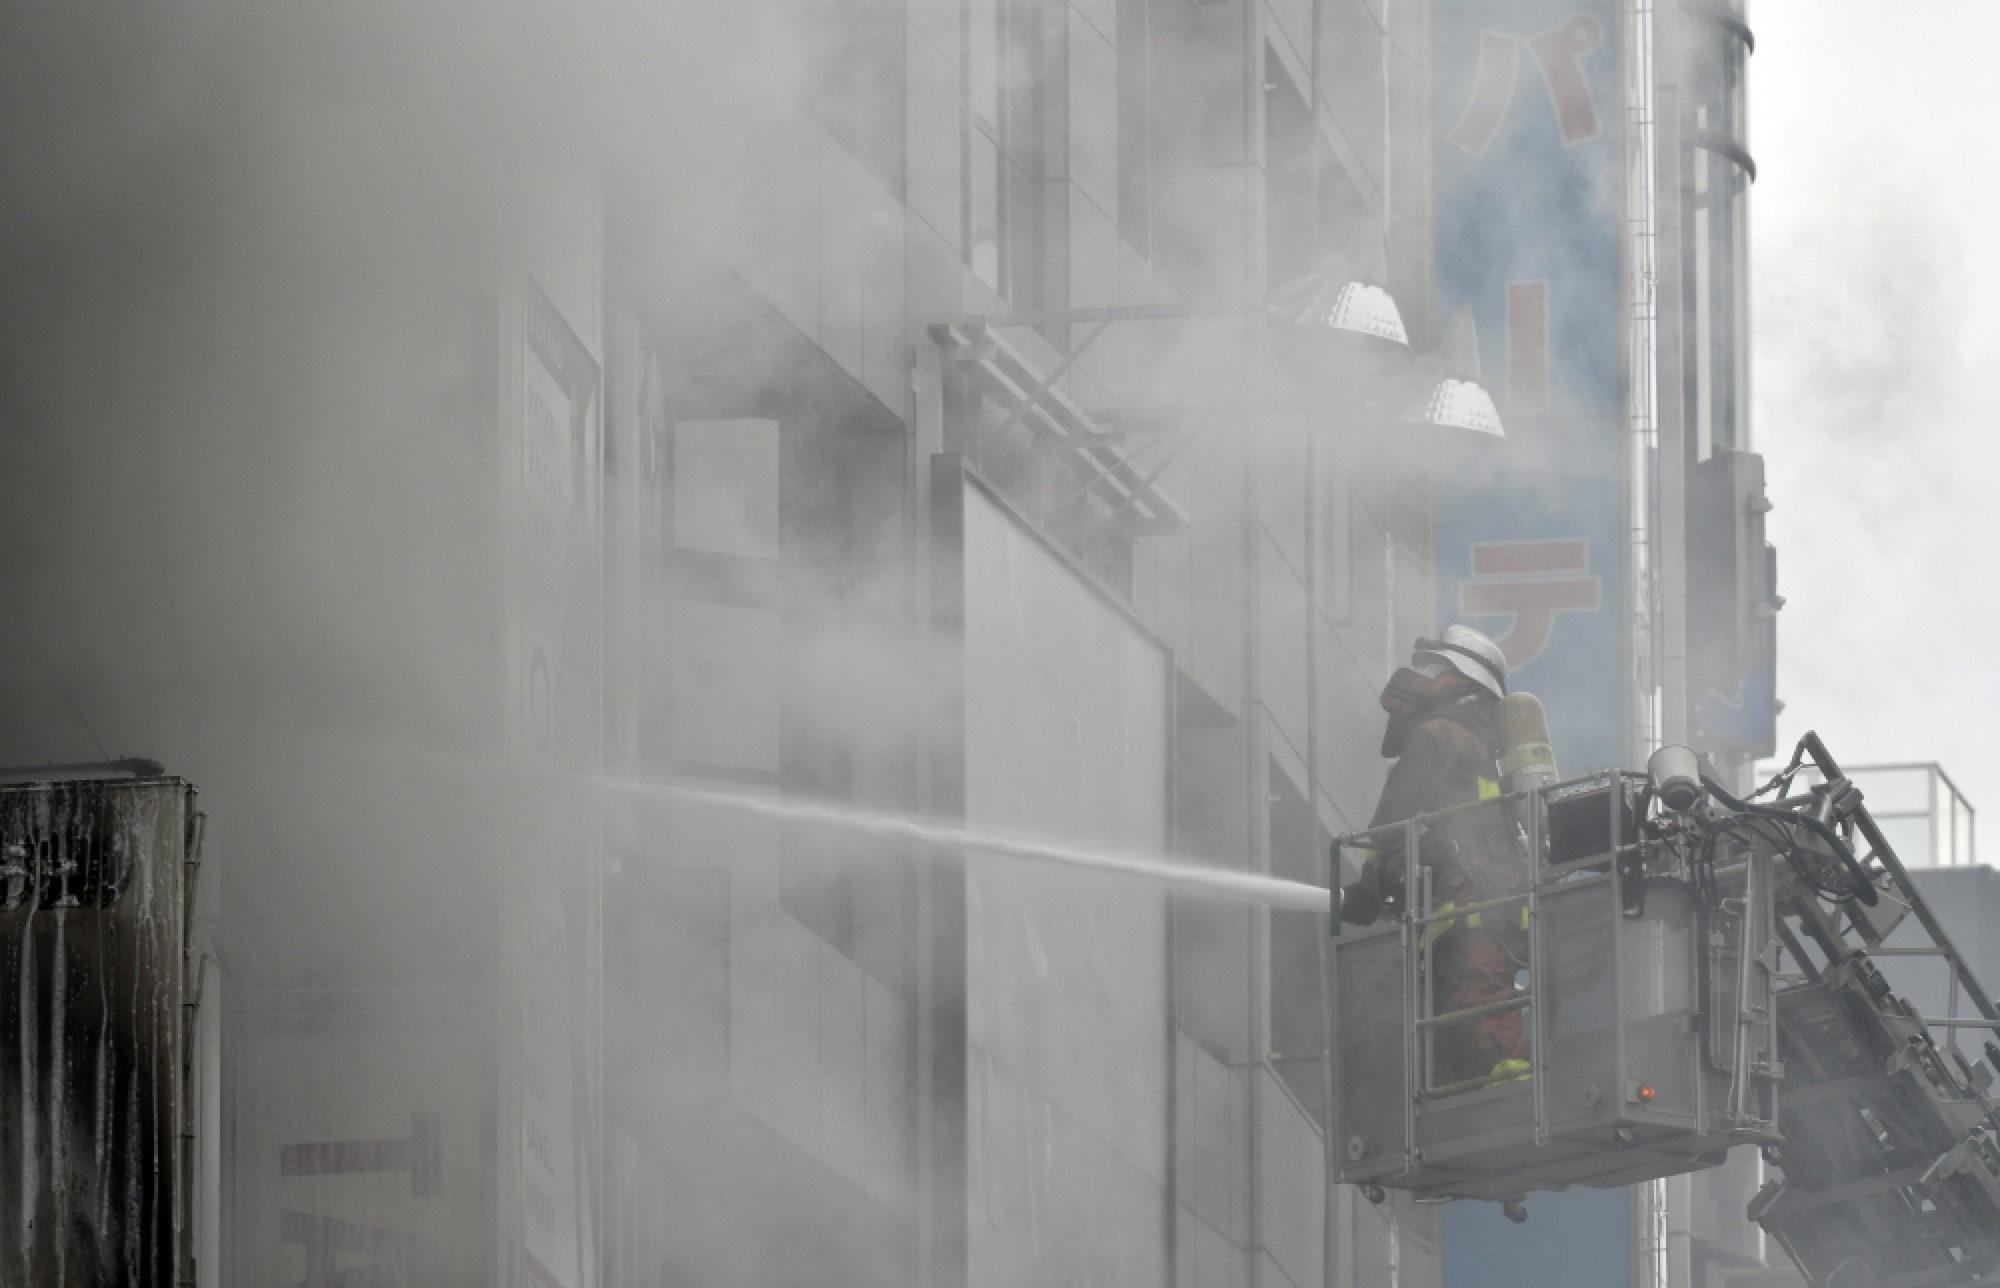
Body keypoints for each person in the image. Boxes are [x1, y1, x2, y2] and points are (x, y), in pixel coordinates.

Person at [1339, 624, 1531, 1087]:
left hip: (1468, 906)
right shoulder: (1484, 744)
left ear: (1460, 677)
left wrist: (1366, 891)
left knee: (1478, 1008)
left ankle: (1517, 1097)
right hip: (1480, 905)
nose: (1420, 676)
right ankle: (1472, 1102)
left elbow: (1392, 820)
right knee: (1450, 1024)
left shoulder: (1440, 733)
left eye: (1435, 667)